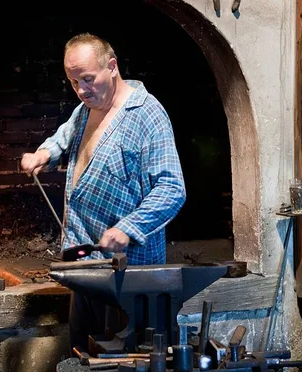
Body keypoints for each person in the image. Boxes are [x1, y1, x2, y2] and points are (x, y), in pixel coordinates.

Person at [20, 33, 186, 353]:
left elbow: (171, 189)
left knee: (119, 369)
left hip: (127, 277)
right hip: (85, 267)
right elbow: (65, 136)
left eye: (87, 79)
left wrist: (128, 228)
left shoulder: (146, 115)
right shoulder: (87, 108)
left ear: (112, 66)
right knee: (81, 359)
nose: (81, 90)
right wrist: (44, 154)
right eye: (73, 82)